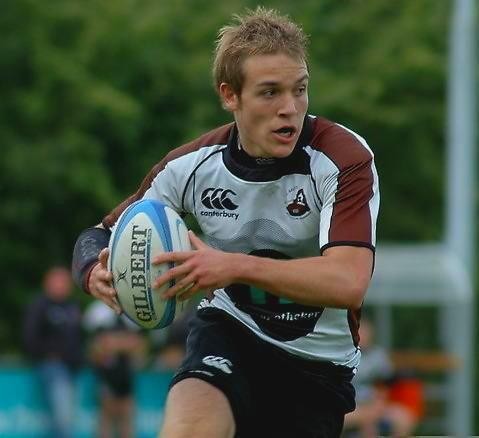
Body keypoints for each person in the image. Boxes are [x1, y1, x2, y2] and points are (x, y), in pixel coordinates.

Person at [72, 7, 380, 438]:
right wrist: (94, 272)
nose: (290, 108)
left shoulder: (342, 158)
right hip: (229, 332)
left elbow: (348, 281)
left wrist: (231, 266)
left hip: (318, 365)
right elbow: (98, 235)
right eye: (270, 93)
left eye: (300, 89)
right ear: (230, 95)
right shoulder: (191, 167)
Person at [23, 266, 83, 438]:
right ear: (47, 283)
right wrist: (50, 356)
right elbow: (29, 337)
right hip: (53, 368)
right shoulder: (39, 306)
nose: (62, 285)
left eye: (65, 282)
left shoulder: (72, 307)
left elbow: (79, 337)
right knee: (62, 420)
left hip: (73, 368)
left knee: (66, 419)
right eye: (58, 281)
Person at [343, 318, 422, 437]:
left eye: (365, 332)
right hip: (347, 405)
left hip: (376, 404)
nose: (362, 335)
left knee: (404, 419)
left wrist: (377, 405)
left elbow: (385, 386)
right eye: (359, 331)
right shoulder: (341, 355)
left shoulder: (379, 356)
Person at [83, 300, 146, 438]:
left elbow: (138, 344)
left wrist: (113, 344)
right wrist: (122, 344)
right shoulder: (97, 310)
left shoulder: (132, 307)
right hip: (105, 376)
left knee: (126, 418)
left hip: (126, 375)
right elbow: (95, 347)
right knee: (106, 417)